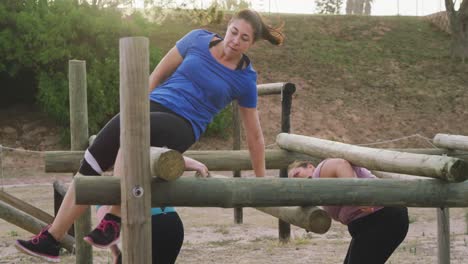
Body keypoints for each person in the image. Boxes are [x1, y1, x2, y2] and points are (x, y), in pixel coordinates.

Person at [15, 8, 284, 263]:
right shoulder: (196, 39)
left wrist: (260, 182)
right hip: (151, 107)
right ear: (227, 26)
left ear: (252, 44)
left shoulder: (245, 78)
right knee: (91, 163)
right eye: (234, 31)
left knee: (133, 135)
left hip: (184, 124)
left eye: (244, 38)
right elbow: (156, 75)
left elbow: (255, 135)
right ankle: (52, 238)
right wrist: (134, 108)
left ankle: (115, 218)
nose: (235, 40)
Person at [288, 158, 409, 264]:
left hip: (382, 218)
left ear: (310, 166)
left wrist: (359, 195)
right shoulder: (318, 191)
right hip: (373, 223)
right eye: (292, 181)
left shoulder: (321, 170)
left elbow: (341, 164)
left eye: (296, 173)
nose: (296, 179)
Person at [95, 156, 208, 264]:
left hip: (148, 226)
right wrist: (198, 165)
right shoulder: (139, 164)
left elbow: (109, 231)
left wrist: (116, 254)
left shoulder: (101, 190)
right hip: (172, 222)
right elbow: (166, 157)